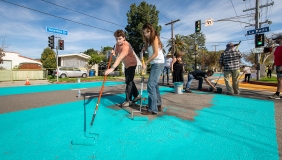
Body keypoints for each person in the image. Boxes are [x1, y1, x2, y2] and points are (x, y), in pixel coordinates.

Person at [104, 29, 140, 107]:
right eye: (116, 39)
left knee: (128, 82)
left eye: (120, 39)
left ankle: (128, 100)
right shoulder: (117, 45)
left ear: (124, 38)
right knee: (129, 81)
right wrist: (113, 53)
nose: (118, 41)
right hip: (126, 65)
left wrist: (112, 68)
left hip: (132, 64)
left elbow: (119, 58)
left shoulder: (126, 46)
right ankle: (137, 95)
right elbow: (117, 53)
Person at [141, 23, 164, 115]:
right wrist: (144, 48)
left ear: (151, 30)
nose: (146, 34)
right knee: (155, 85)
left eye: (148, 31)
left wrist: (145, 62)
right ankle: (157, 104)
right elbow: (148, 49)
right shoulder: (148, 41)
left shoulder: (155, 38)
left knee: (150, 85)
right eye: (144, 32)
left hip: (158, 63)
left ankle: (152, 109)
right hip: (155, 63)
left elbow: (155, 54)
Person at [268, 34, 282, 99]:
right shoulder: (277, 48)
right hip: (278, 65)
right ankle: (278, 93)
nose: (276, 40)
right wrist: (274, 64)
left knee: (280, 80)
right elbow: (276, 57)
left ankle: (277, 94)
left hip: (281, 66)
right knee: (279, 80)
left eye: (278, 39)